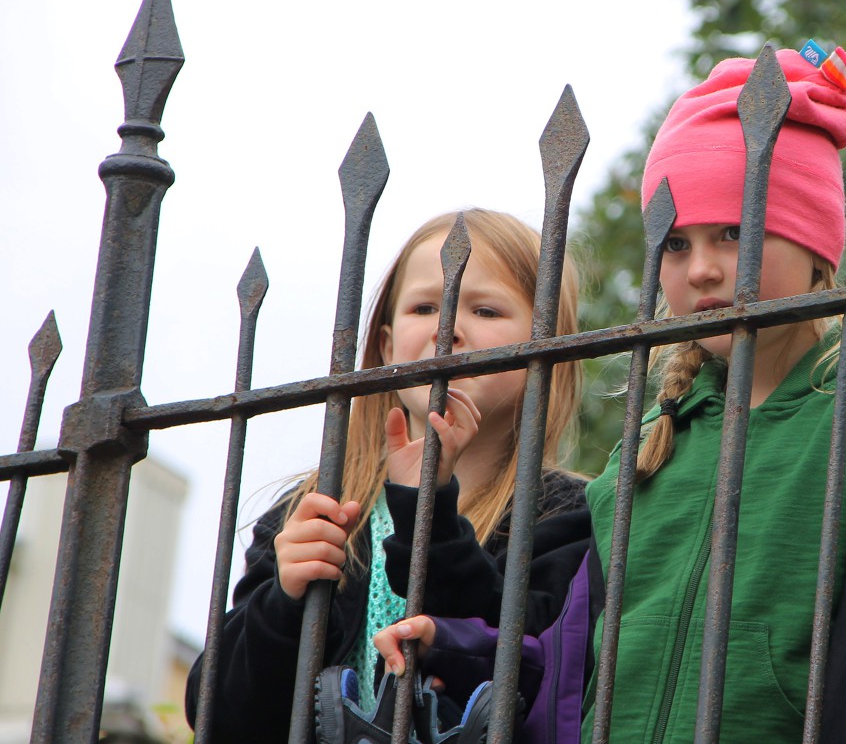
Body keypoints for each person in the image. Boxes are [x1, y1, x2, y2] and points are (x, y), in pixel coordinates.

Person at [377, 45, 846, 743]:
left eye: (733, 232)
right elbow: (573, 663)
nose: (705, 270)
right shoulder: (651, 442)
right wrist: (460, 642)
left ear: (817, 247)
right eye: (679, 245)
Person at [185, 209, 591, 744]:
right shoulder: (312, 507)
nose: (448, 327)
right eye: (424, 307)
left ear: (550, 347)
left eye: (487, 309)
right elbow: (216, 713)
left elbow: (538, 676)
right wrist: (283, 601)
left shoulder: (570, 514)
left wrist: (431, 511)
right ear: (384, 345)